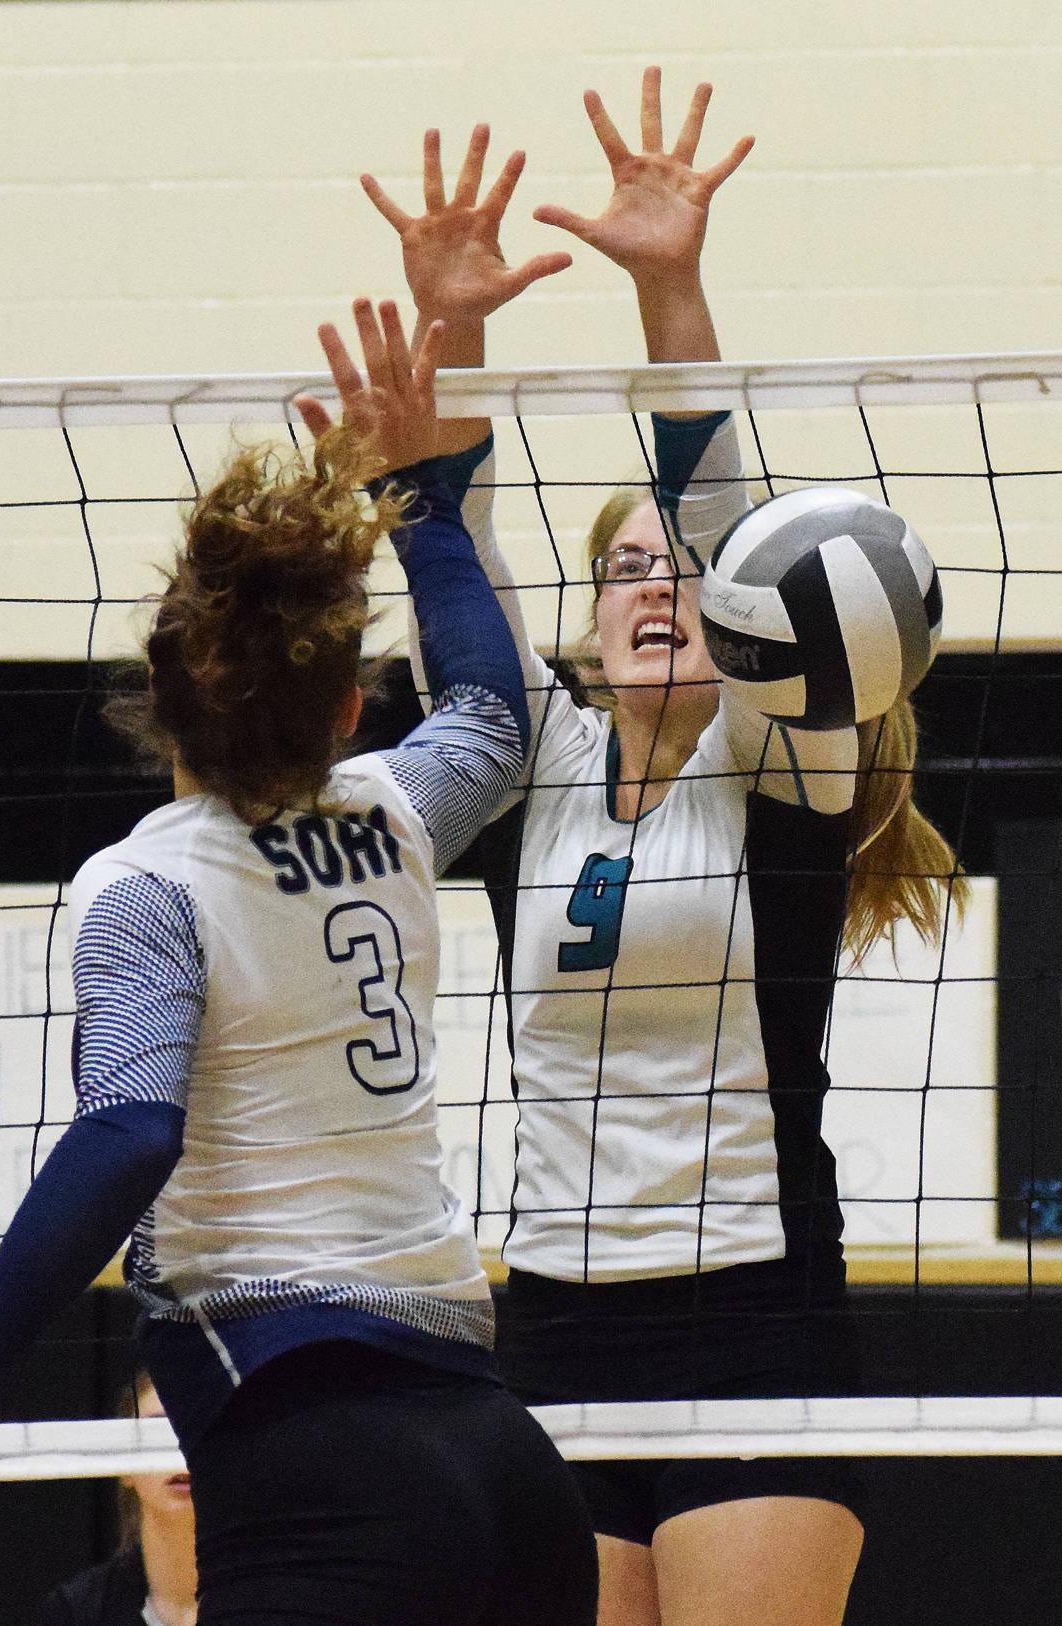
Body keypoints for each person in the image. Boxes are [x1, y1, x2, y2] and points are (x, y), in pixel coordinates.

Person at [0, 296, 598, 1626]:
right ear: (342, 706)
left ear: (162, 696)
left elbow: (133, 1130)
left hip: (322, 1463)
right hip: (509, 1474)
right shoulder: (390, 812)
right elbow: (495, 718)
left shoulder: (146, 885)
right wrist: (424, 501)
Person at [366, 73, 962, 1626]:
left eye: (682, 575)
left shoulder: (783, 764)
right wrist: (456, 328)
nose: (659, 592)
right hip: (552, 1323)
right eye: (625, 569)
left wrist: (669, 286)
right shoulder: (527, 761)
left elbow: (728, 513)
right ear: (588, 609)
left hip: (757, 1323)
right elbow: (455, 553)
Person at [35, 1374, 196, 1626]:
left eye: (196, 1431)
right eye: (157, 1432)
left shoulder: (273, 1599)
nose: (180, 1453)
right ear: (124, 1465)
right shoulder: (76, 1612)